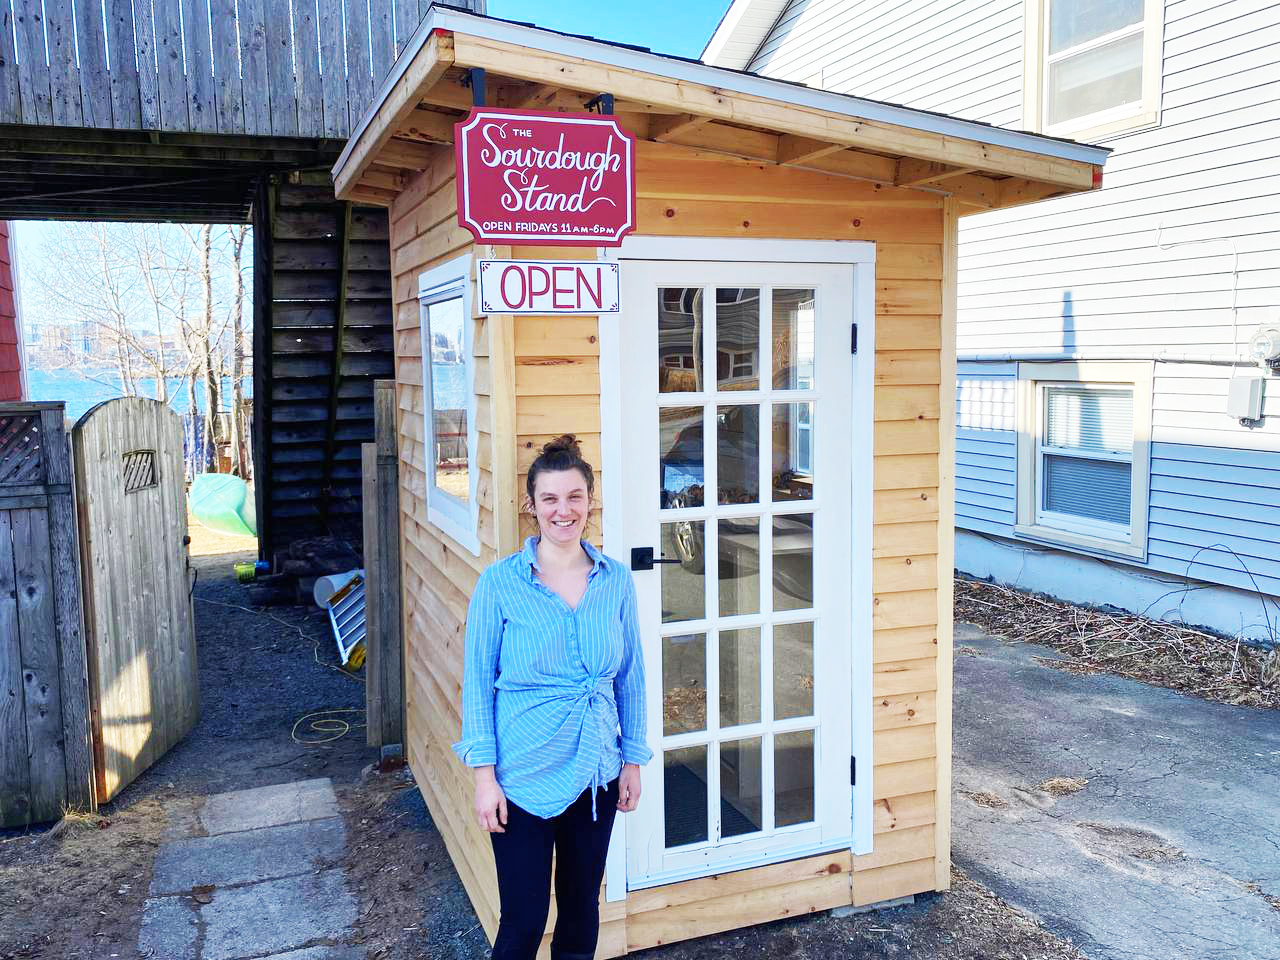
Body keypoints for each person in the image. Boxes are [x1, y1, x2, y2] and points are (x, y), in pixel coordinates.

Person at [453, 434, 651, 960]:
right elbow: (476, 683)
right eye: (550, 499)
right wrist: (484, 778)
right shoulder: (500, 584)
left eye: (574, 497)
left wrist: (631, 761)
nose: (563, 511)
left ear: (590, 500)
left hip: (596, 773)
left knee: (582, 906)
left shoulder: (616, 582)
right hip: (522, 778)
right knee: (524, 917)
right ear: (532, 506)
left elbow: (630, 677)